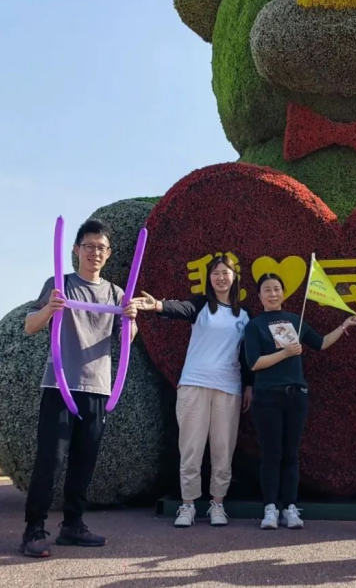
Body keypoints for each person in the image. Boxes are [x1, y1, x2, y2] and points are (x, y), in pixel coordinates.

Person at [20, 219, 138, 558]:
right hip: (60, 385)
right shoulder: (61, 284)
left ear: (109, 253)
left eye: (101, 248)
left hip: (97, 387)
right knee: (51, 460)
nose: (95, 253)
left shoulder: (116, 294)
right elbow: (30, 325)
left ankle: (72, 525)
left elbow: (126, 339)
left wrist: (130, 319)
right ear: (76, 249)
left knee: (84, 462)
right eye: (89, 246)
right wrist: (50, 308)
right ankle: (33, 529)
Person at [134, 254, 253, 528]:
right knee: (191, 448)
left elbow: (247, 356)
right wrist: (158, 305)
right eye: (215, 273)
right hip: (194, 385)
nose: (221, 277)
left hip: (228, 389)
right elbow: (181, 308)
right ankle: (187, 505)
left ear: (234, 277)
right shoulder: (201, 305)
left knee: (223, 450)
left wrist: (249, 385)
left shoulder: (245, 315)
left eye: (225, 272)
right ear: (209, 278)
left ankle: (217, 505)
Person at [244, 272, 356, 530]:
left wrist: (344, 326)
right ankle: (270, 508)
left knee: (291, 454)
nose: (272, 294)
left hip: (296, 395)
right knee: (271, 454)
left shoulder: (294, 320)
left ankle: (290, 507)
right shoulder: (254, 326)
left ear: (283, 293)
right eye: (267, 290)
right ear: (259, 295)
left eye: (276, 289)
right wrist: (285, 352)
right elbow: (254, 363)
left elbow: (320, 343)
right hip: (267, 397)